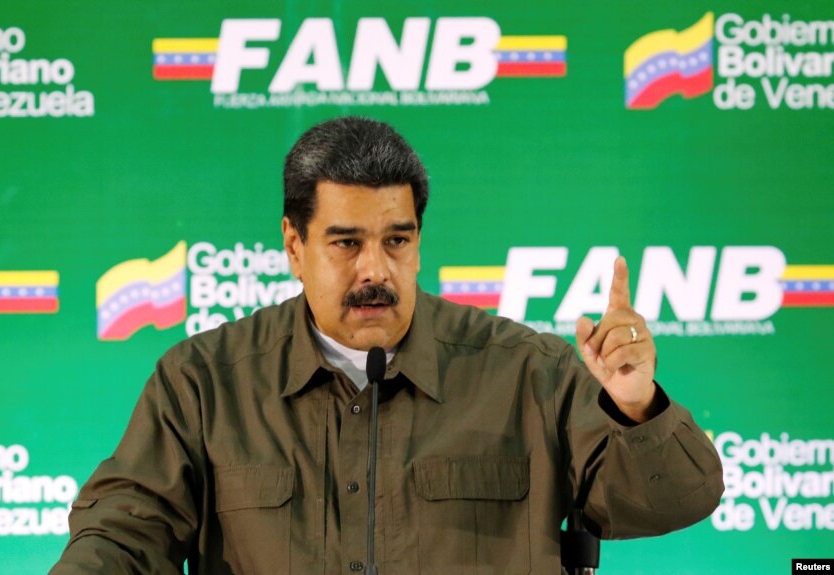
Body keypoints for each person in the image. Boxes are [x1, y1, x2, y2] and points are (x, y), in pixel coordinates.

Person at [51, 117, 723, 574]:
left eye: (395, 241)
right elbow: (124, 530)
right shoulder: (202, 382)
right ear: (293, 245)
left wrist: (635, 406)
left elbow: (678, 497)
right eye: (346, 243)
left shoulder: (528, 372)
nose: (375, 269)